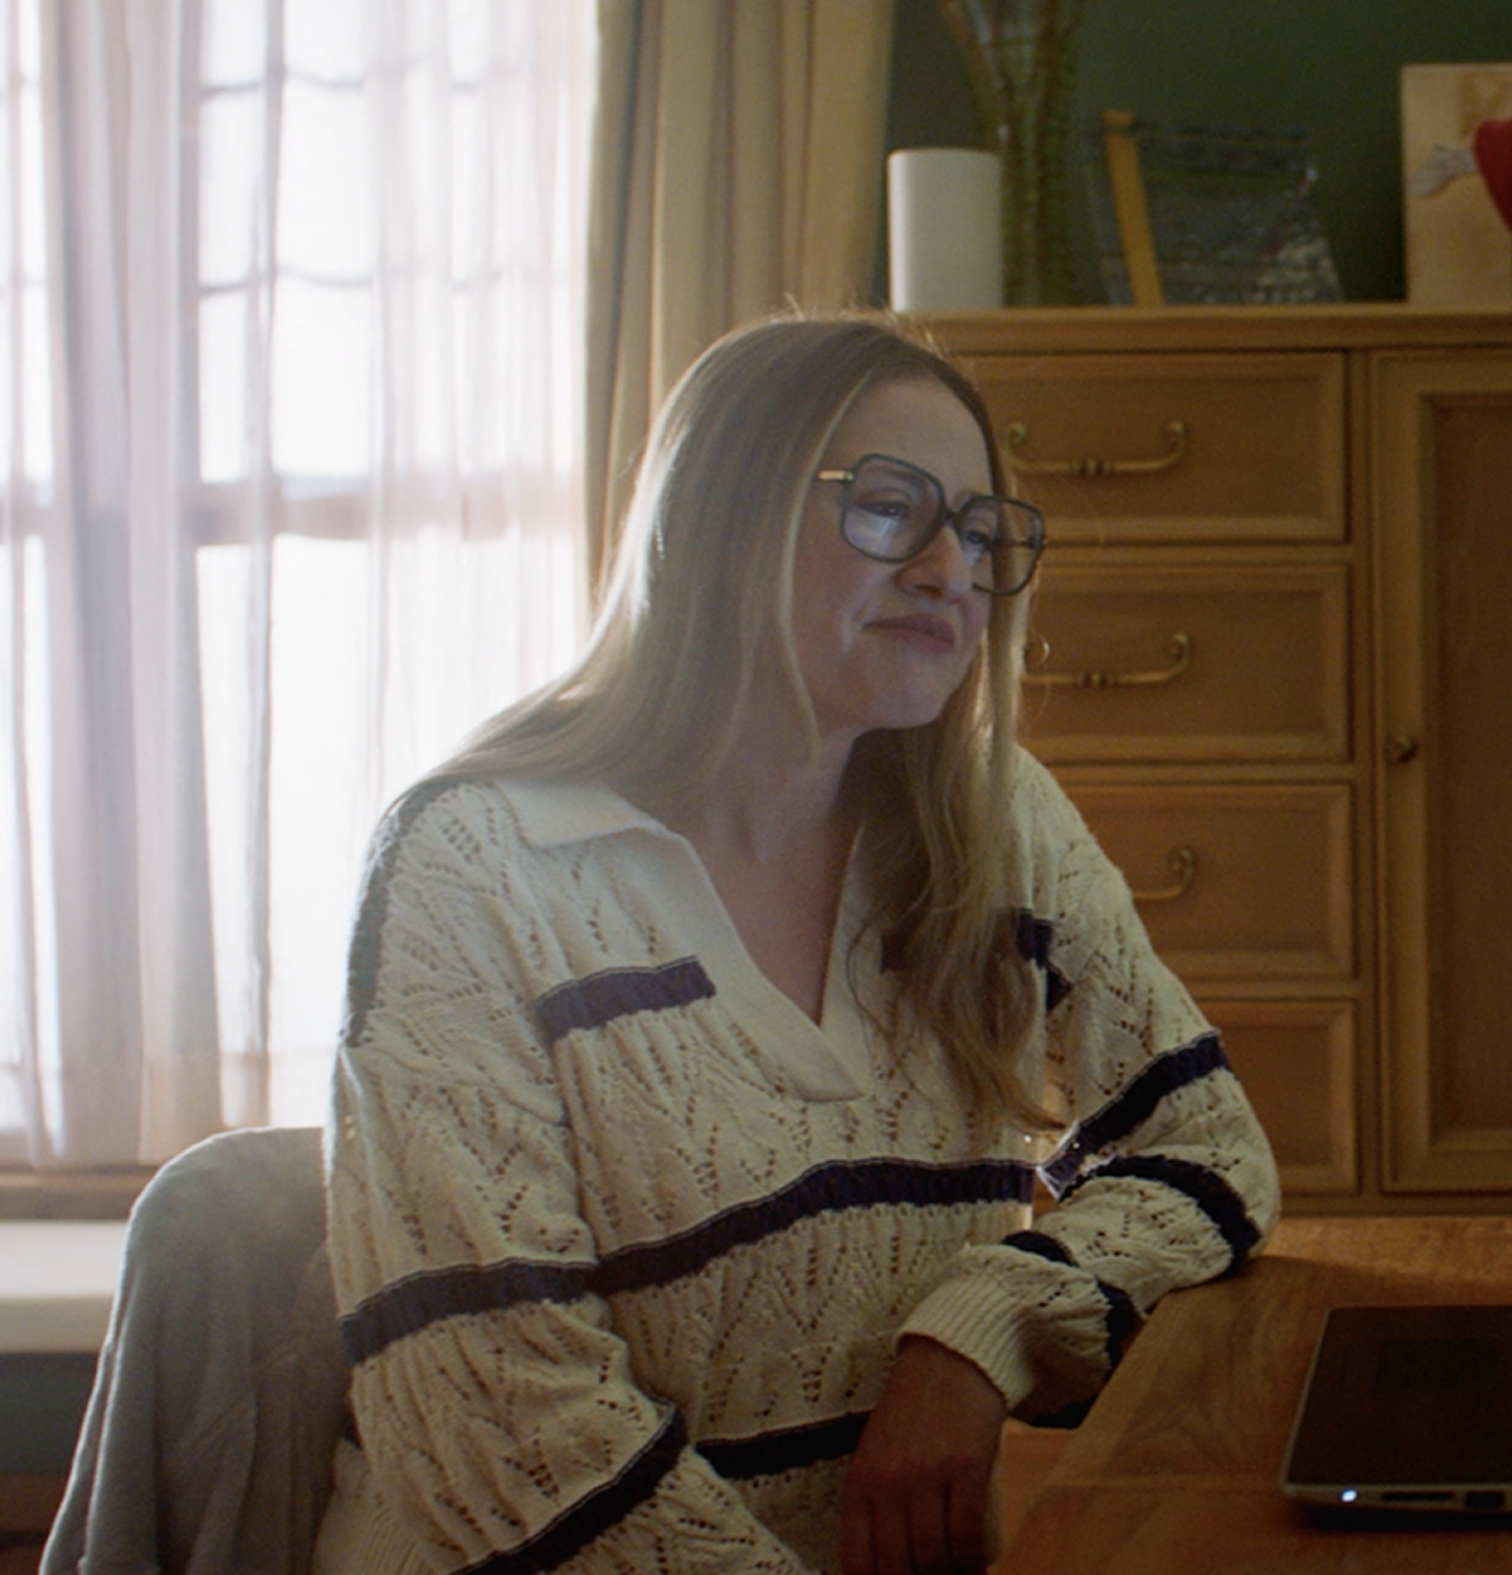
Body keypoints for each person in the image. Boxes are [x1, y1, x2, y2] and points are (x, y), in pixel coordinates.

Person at [315, 315, 1280, 1575]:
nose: (950, 571)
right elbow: (499, 1426)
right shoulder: (477, 862)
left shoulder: (997, 826)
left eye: (979, 531)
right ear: (720, 518)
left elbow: (1207, 1149)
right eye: (888, 508)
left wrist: (978, 1333)